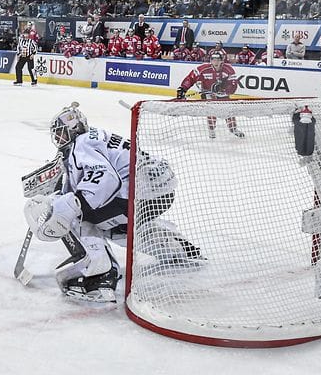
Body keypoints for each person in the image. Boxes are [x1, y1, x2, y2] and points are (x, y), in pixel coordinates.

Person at [22, 103, 202, 303]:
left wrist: (69, 204)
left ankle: (100, 277)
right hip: (158, 191)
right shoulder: (95, 137)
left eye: (61, 133)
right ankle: (174, 247)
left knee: (75, 215)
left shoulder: (80, 144)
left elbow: (105, 178)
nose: (58, 139)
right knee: (114, 229)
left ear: (73, 130)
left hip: (138, 195)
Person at [176, 52, 243, 139]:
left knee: (228, 110)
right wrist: (183, 88)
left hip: (222, 93)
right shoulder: (203, 69)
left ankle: (233, 129)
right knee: (211, 110)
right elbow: (190, 78)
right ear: (211, 61)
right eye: (213, 60)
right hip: (207, 92)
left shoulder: (228, 69)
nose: (216, 62)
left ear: (222, 60)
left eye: (218, 60)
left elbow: (233, 85)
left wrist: (224, 89)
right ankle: (211, 129)